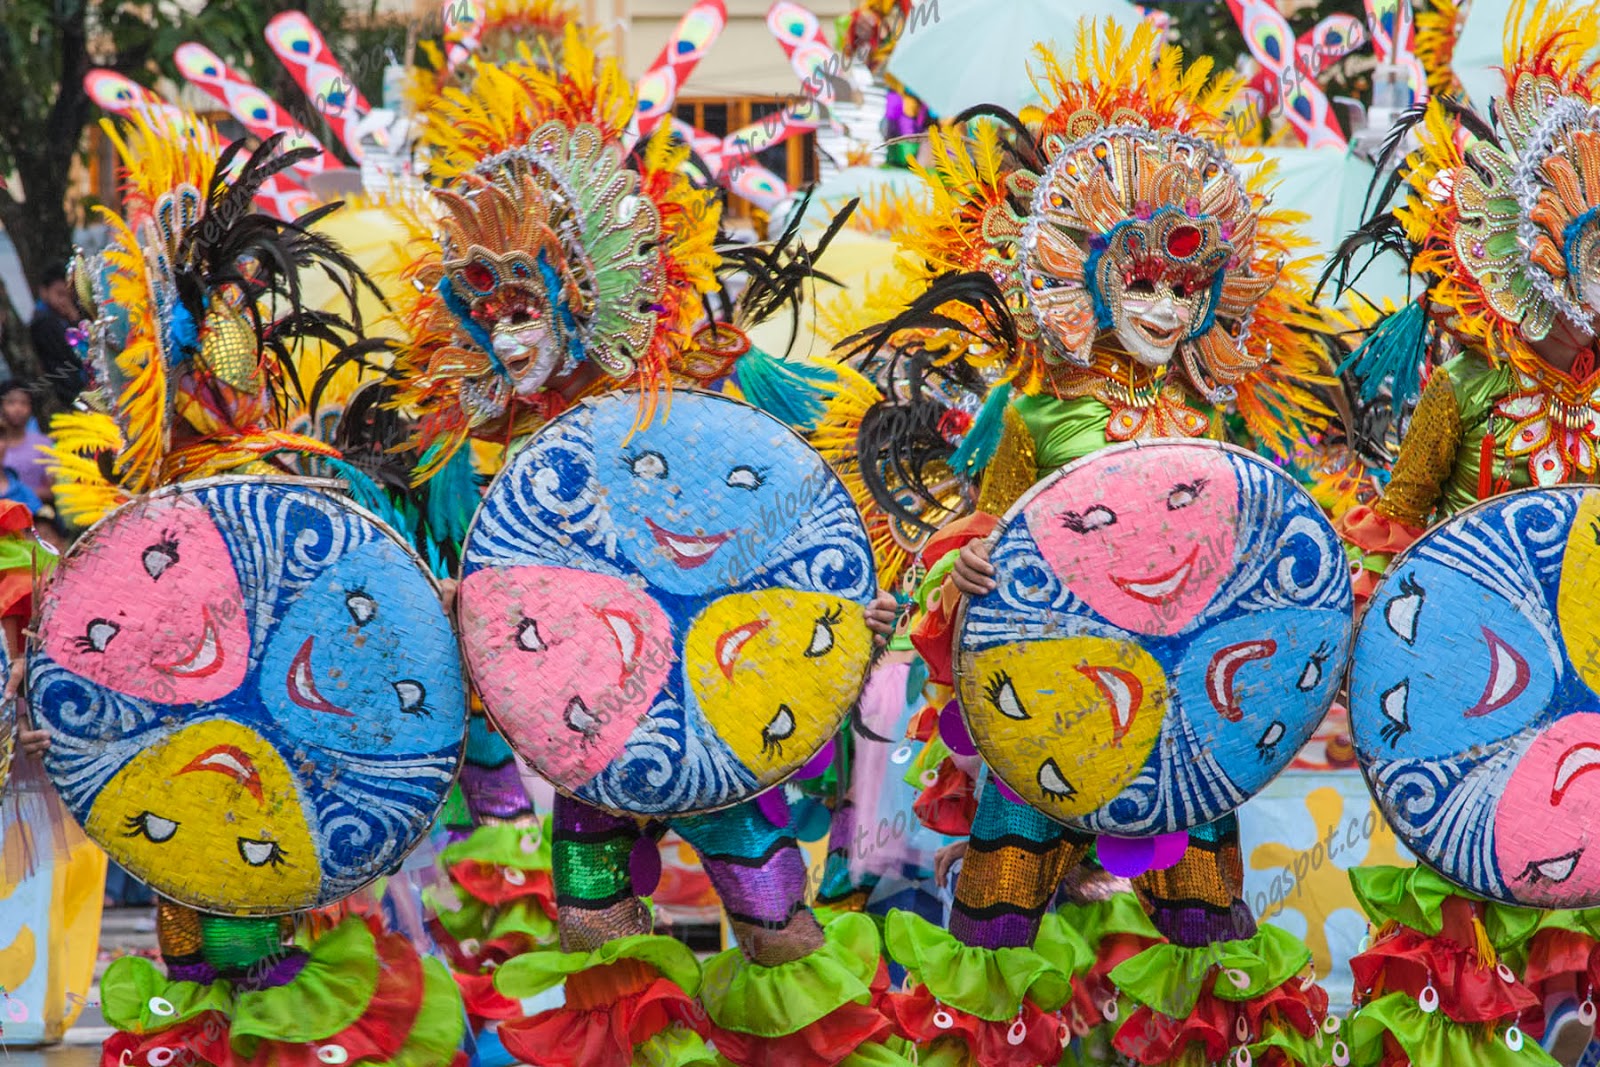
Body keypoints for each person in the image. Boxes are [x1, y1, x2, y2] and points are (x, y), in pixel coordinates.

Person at [28, 262, 87, 409]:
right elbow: (73, 355)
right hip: (65, 390)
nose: (65, 302)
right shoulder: (44, 322)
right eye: (60, 294)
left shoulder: (57, 317)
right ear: (44, 291)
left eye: (69, 296)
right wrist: (74, 319)